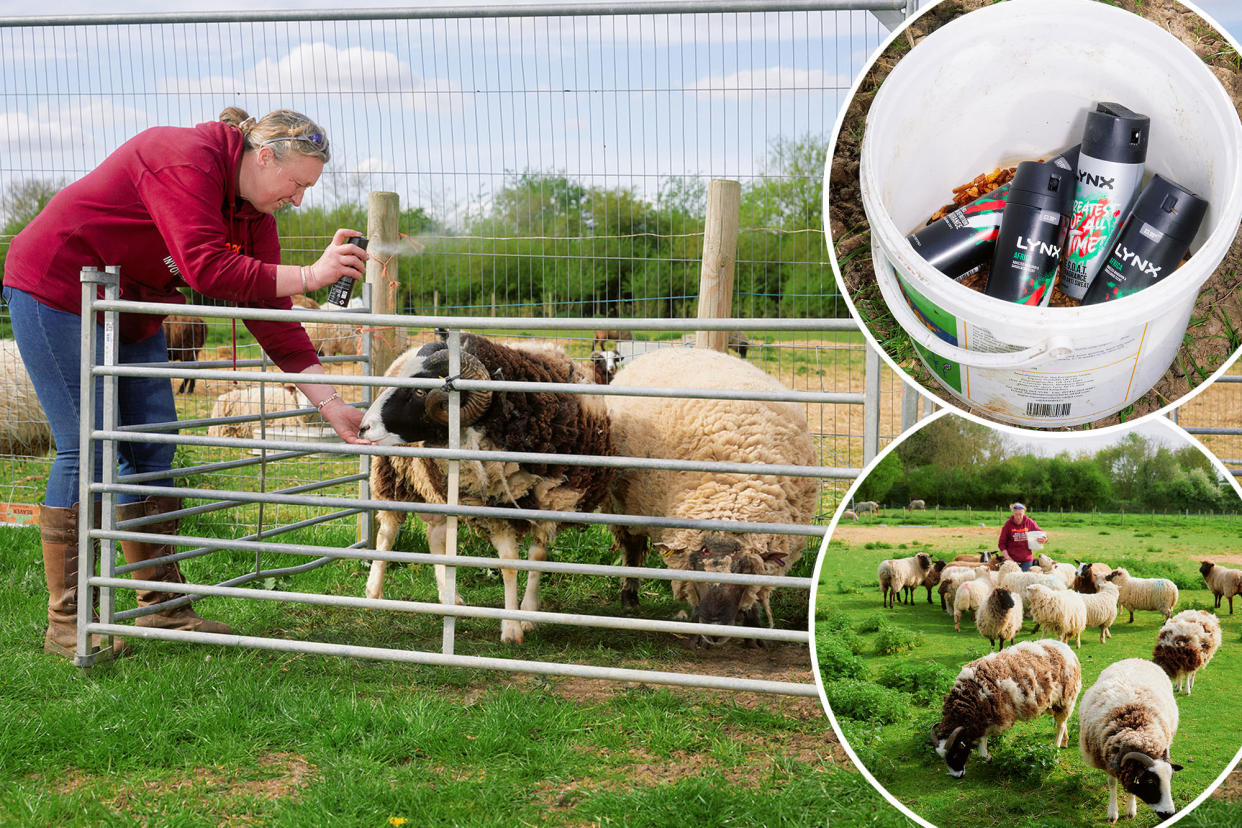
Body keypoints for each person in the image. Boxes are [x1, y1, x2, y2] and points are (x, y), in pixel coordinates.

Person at [2, 107, 371, 658]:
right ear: (264, 156)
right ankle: (69, 621)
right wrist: (313, 276)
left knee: (153, 447)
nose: (298, 199)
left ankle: (163, 607)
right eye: (296, 184)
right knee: (87, 448)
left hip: (132, 306)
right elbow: (202, 266)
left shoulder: (254, 216)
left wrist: (333, 405)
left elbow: (268, 313)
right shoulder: (182, 158)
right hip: (58, 289)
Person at [997, 502, 1045, 572]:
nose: (1018, 517)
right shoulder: (1008, 524)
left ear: (1024, 513)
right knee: (1011, 581)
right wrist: (1007, 557)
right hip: (1011, 560)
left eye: (1020, 514)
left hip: (1026, 560)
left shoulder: (1030, 522)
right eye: (1016, 514)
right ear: (1013, 513)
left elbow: (1041, 534)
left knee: (1023, 580)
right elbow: (1001, 543)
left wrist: (1044, 539)